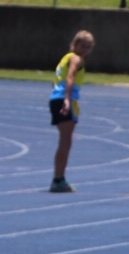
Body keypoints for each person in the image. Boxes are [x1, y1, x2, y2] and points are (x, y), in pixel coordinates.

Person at [48, 30, 95, 194]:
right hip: (65, 99)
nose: (86, 50)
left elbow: (55, 80)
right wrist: (67, 99)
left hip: (56, 98)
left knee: (64, 141)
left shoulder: (65, 58)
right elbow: (70, 77)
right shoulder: (76, 59)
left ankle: (59, 178)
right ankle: (58, 179)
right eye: (83, 46)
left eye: (89, 47)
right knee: (65, 142)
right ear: (75, 44)